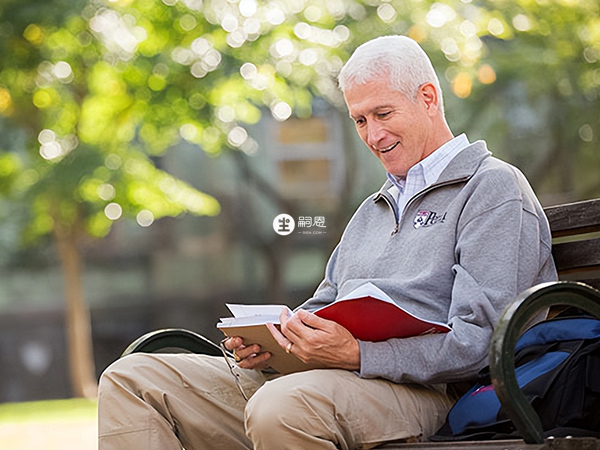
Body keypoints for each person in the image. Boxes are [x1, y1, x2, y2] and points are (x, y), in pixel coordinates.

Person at [98, 35, 557, 449]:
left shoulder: (492, 188)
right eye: (360, 120)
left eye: (383, 113)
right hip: (322, 379)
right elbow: (323, 306)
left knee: (283, 408)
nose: (373, 136)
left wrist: (359, 353)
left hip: (434, 394)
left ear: (429, 98)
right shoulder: (371, 211)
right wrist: (278, 344)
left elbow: (481, 343)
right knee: (133, 378)